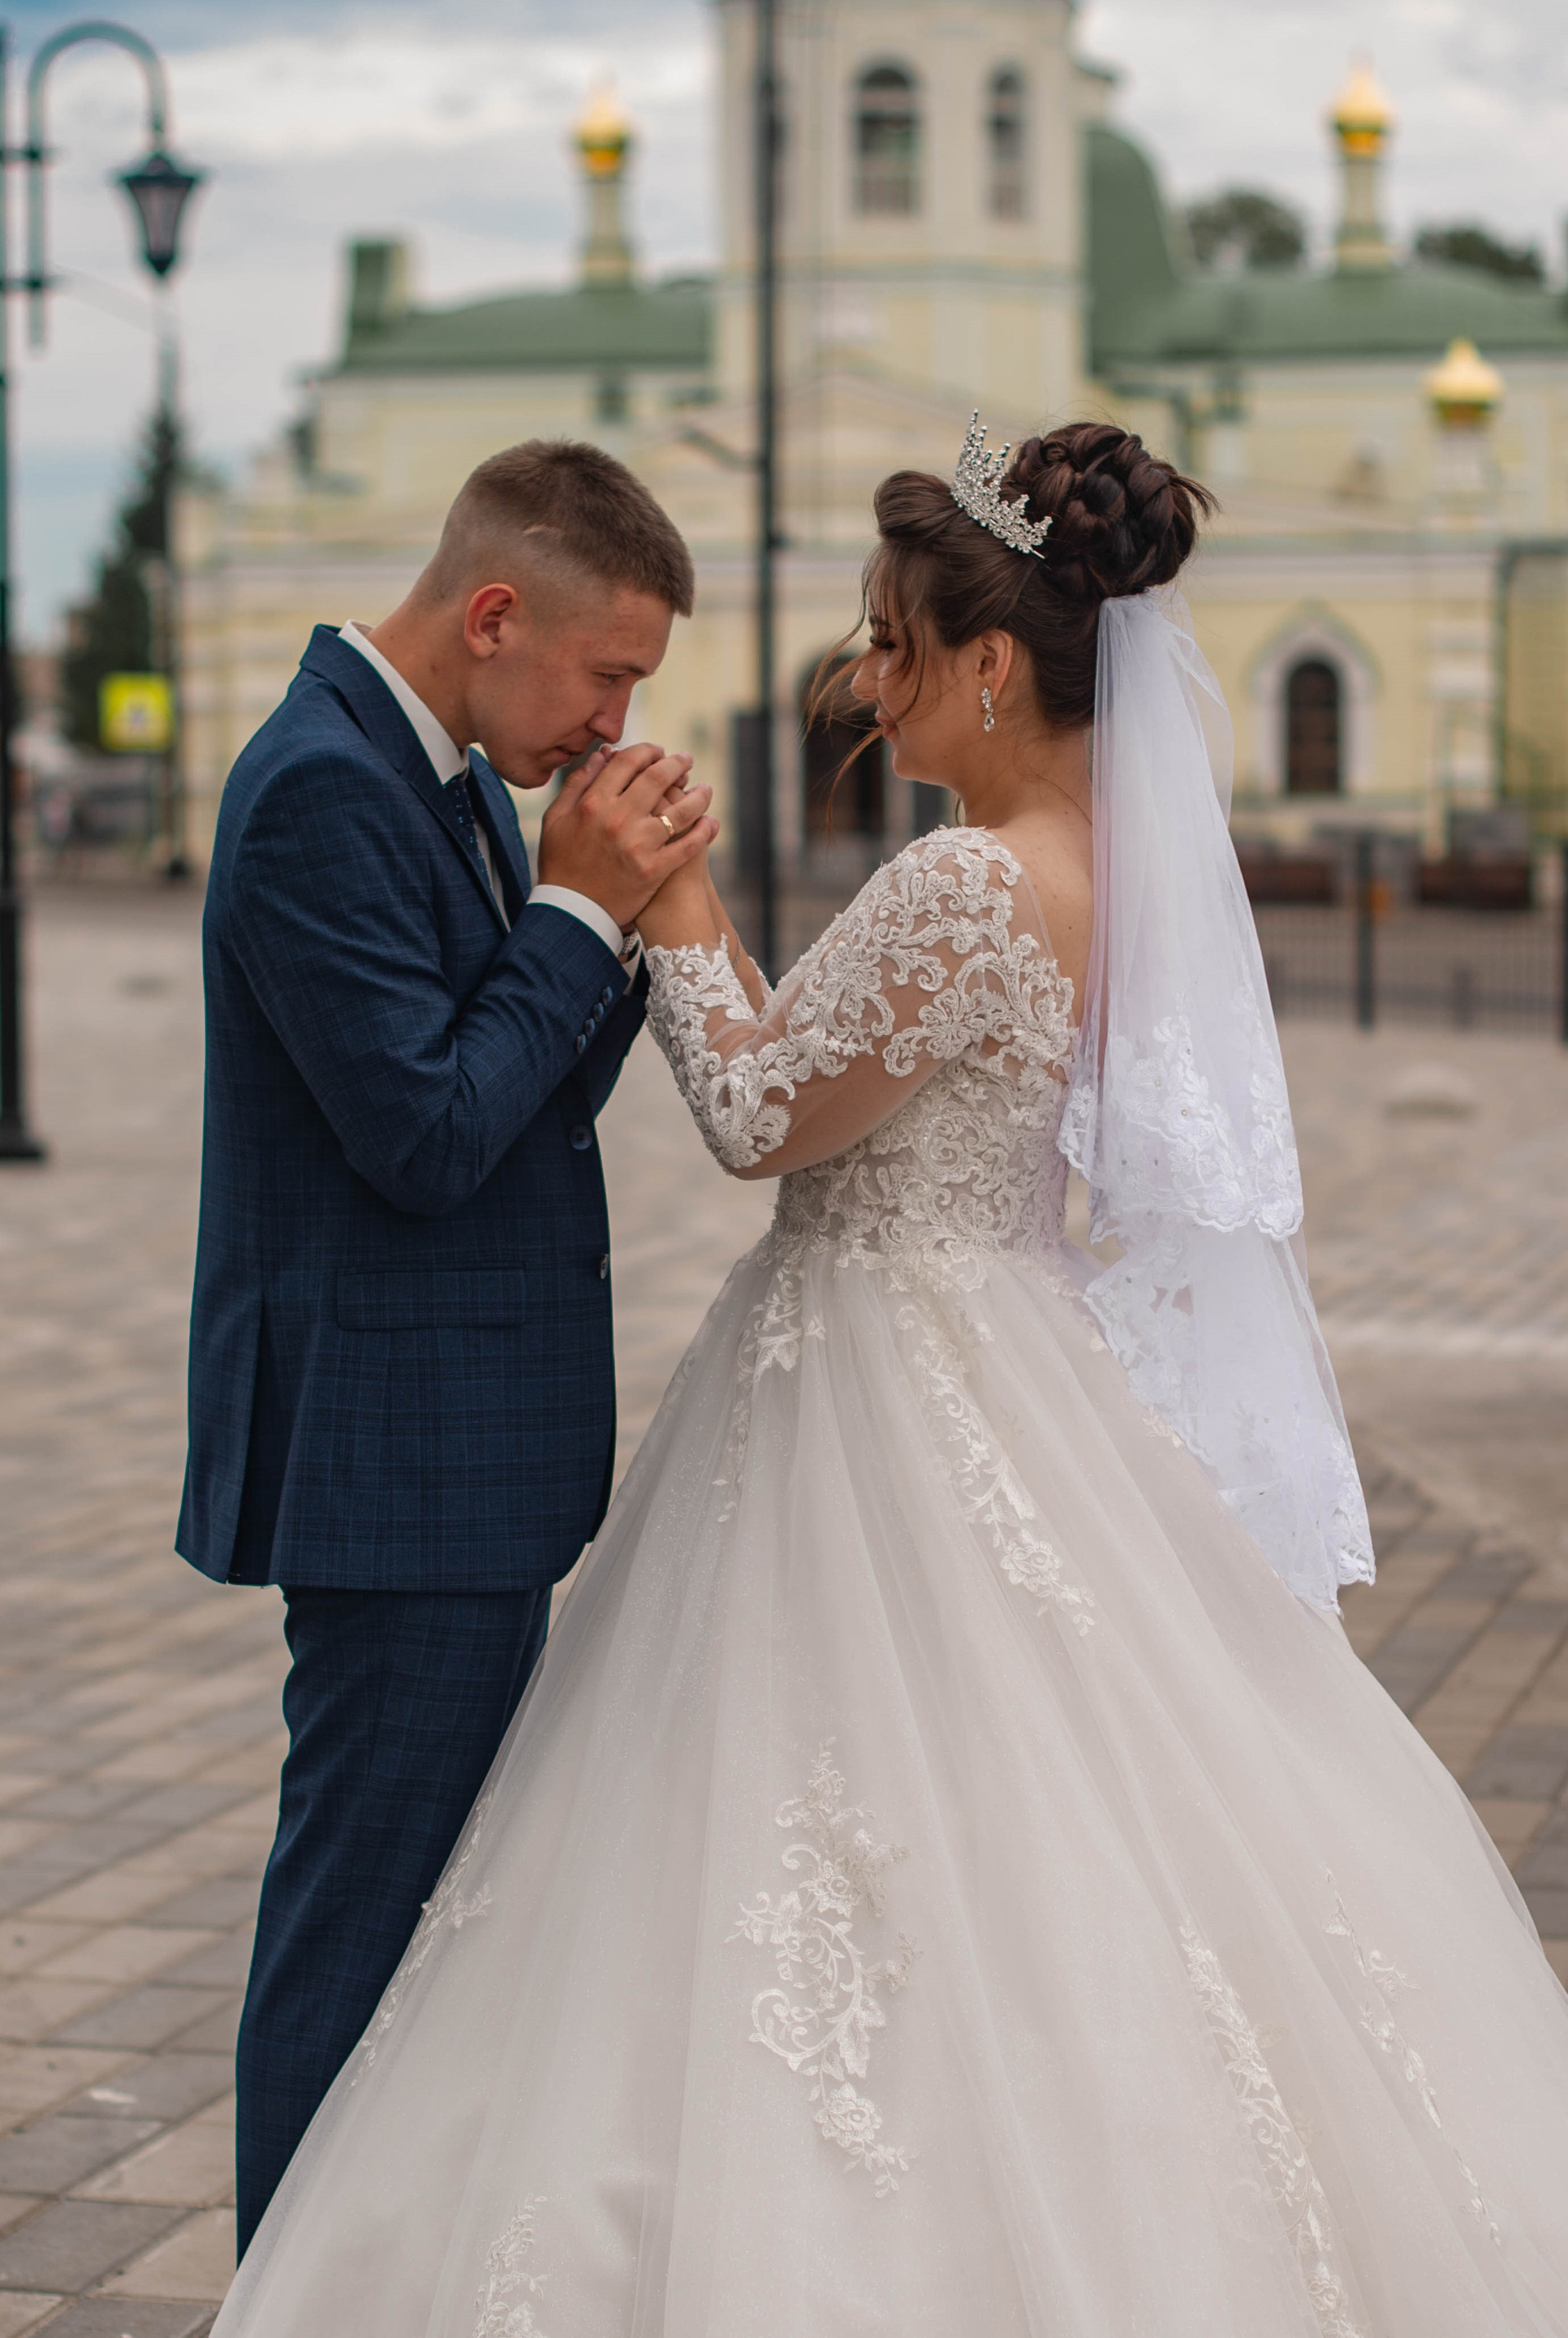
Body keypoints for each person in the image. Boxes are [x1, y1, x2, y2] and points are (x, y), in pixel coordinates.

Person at [210, 416, 1568, 2334]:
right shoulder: (1106, 869)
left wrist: (653, 908)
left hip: (867, 1382)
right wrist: (616, 917)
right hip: (998, 1355)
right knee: (1031, 1840)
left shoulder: (966, 883)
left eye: (886, 637)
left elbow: (764, 1109)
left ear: (989, 662)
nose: (862, 672)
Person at [177, 439, 718, 2249]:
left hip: (459, 1464)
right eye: (605, 671)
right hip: (395, 1469)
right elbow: (417, 1131)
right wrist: (570, 906)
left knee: (429, 1927)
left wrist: (618, 923)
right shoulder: (316, 791)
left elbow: (519, 1107)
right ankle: (287, 2288)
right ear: (495, 614)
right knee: (356, 1926)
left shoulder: (447, 774)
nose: (614, 712)